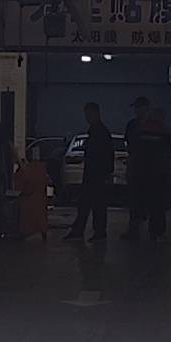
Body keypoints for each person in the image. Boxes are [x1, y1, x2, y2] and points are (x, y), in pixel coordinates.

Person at [66, 100, 118, 249]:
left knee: (95, 203)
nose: (87, 117)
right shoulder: (96, 131)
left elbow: (106, 153)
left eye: (89, 114)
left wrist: (106, 172)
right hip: (93, 173)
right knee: (89, 203)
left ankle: (94, 230)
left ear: (96, 114)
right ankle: (86, 230)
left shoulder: (99, 132)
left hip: (97, 173)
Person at [123, 95, 171, 243]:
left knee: (138, 202)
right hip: (156, 173)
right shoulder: (164, 131)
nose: (137, 111)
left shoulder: (138, 130)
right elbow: (170, 151)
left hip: (142, 172)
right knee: (156, 204)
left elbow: (133, 148)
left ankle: (138, 230)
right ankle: (154, 232)